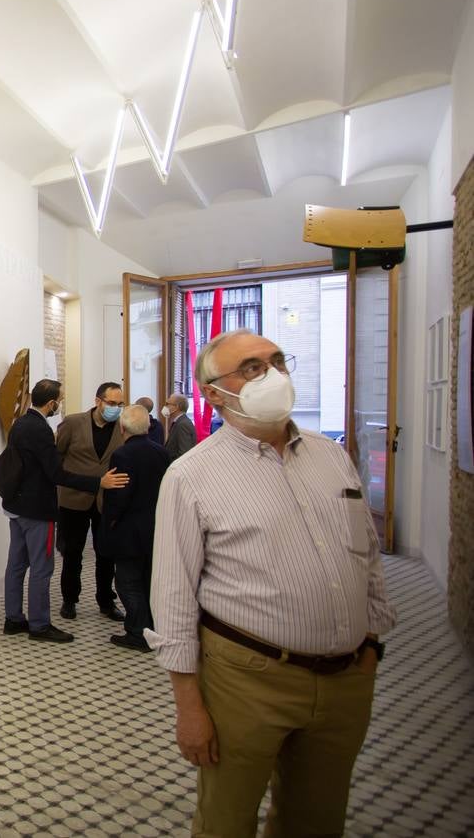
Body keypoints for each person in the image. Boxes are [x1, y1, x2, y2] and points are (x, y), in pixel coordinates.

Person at [147, 330, 396, 837]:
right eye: (253, 367)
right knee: (227, 818)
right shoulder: (191, 475)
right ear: (214, 393)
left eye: (277, 361)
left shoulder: (330, 456)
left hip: (346, 676)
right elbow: (172, 599)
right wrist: (189, 706)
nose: (273, 374)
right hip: (247, 678)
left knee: (318, 816)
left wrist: (370, 641)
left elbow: (365, 555)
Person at [0, 379, 128, 643]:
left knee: (16, 566)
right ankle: (39, 625)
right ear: (51, 403)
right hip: (38, 511)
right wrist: (97, 482)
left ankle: (13, 618)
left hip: (17, 507)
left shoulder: (20, 424)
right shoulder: (41, 429)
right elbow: (56, 473)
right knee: (41, 568)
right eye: (60, 398)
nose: (60, 403)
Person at [98, 405, 169, 652]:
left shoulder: (123, 455)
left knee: (127, 582)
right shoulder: (161, 452)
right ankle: (151, 627)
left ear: (122, 427)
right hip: (154, 528)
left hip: (129, 530)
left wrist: (109, 521)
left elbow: (120, 494)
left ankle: (137, 632)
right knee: (148, 579)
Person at [54, 381, 127, 622]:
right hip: (74, 498)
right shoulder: (74, 423)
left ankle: (106, 601)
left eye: (120, 404)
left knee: (106, 553)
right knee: (72, 552)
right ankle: (69, 599)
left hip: (106, 501)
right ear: (98, 401)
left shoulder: (122, 427)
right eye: (111, 403)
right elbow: (58, 456)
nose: (115, 408)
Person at [163, 393, 196, 461]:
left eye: (167, 404)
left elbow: (184, 453)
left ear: (176, 407)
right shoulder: (179, 422)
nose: (165, 407)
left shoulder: (183, 424)